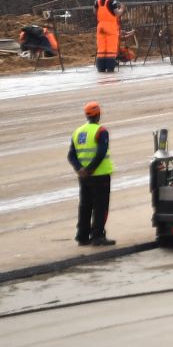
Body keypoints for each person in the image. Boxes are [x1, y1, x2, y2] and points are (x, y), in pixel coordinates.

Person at [68, 100, 115, 246]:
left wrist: (80, 170)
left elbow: (71, 155)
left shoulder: (77, 132)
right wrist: (90, 169)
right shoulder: (101, 131)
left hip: (84, 178)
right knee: (100, 207)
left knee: (85, 205)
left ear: (87, 115)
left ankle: (82, 236)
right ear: (98, 115)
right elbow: (101, 153)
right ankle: (97, 236)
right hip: (100, 176)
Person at [93, 0, 122, 73]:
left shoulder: (97, 1)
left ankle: (101, 68)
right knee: (110, 49)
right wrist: (122, 9)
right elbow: (117, 14)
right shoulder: (112, 1)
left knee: (101, 49)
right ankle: (110, 68)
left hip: (100, 26)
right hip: (110, 27)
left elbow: (95, 12)